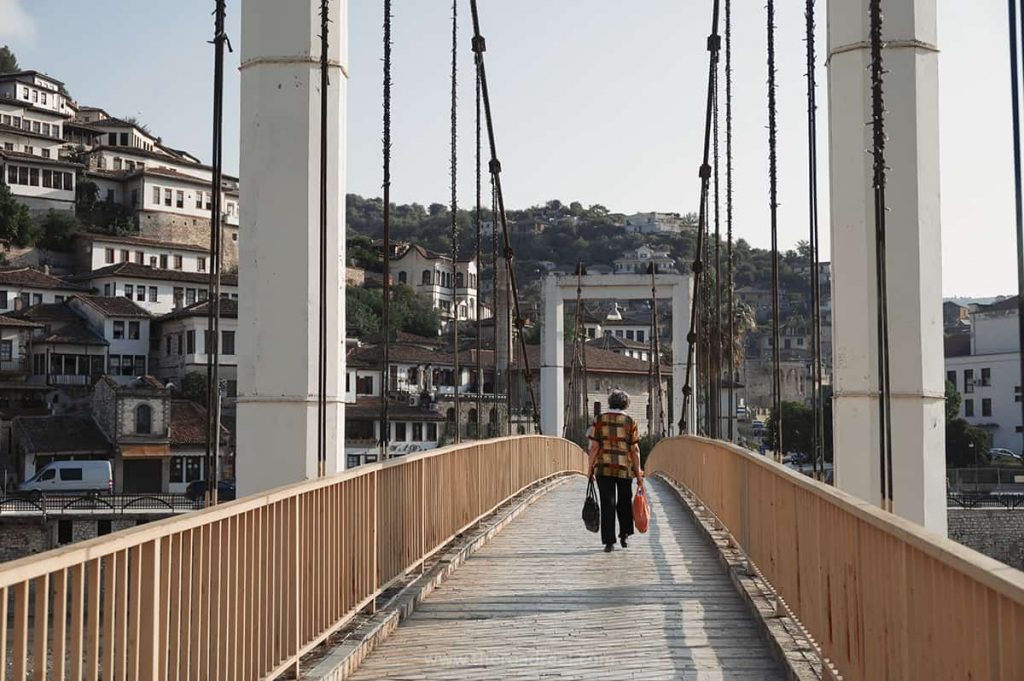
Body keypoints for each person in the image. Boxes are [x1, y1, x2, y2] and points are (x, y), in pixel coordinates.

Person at [586, 390, 643, 552]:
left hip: (603, 468)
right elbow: (635, 449)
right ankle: (624, 535)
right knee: (624, 501)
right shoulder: (630, 421)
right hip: (624, 469)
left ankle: (609, 542)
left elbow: (595, 447)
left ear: (610, 402)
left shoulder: (599, 420)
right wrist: (638, 474)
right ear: (626, 404)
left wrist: (589, 469)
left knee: (607, 503)